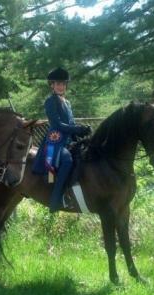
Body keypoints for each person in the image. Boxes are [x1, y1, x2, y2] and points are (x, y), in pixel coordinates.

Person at [32, 67, 91, 213]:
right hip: (55, 140)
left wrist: (81, 131)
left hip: (69, 139)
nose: (61, 86)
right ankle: (56, 199)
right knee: (67, 160)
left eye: (63, 84)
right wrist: (77, 129)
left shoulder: (67, 102)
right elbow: (57, 124)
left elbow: (70, 123)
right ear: (52, 85)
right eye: (58, 84)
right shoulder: (50, 101)